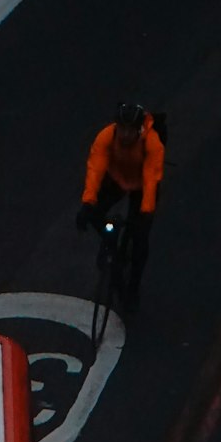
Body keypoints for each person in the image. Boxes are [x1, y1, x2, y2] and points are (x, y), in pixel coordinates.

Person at [76, 101, 165, 309]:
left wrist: (146, 211)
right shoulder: (105, 137)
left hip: (141, 185)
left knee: (140, 240)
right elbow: (95, 169)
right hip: (116, 178)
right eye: (121, 128)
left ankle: (133, 287)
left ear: (139, 130)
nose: (124, 134)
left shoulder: (152, 144)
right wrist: (87, 203)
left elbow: (151, 179)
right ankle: (111, 245)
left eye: (130, 130)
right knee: (94, 214)